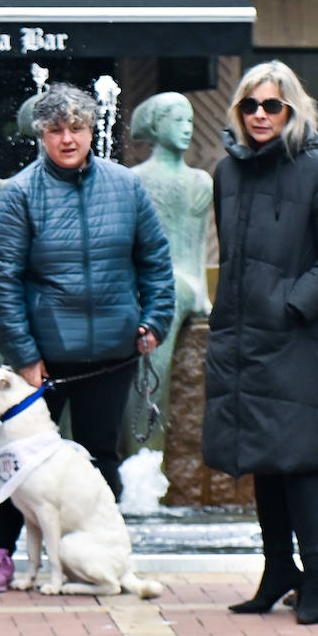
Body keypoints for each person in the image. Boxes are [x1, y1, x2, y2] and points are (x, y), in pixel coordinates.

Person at [0, 83, 174, 593]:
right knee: (17, 462)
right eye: (56, 129)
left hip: (112, 353)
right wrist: (23, 355)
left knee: (99, 456)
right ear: (41, 134)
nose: (68, 138)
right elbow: (0, 280)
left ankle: (102, 550)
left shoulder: (126, 187)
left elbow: (155, 261)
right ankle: (0, 554)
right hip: (40, 358)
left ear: (91, 130)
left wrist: (154, 321)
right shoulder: (21, 193)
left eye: (77, 127)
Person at [203, 60, 318, 625]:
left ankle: (317, 573)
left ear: (293, 110)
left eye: (272, 106)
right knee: (261, 459)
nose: (261, 115)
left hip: (297, 338)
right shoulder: (229, 171)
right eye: (250, 105)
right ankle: (277, 568)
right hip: (243, 337)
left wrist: (293, 304)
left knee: (300, 461)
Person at [128, 92, 215, 444]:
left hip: (184, 284)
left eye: (191, 121)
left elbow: (194, 246)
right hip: (150, 284)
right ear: (155, 125)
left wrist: (202, 296)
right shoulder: (135, 179)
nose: (187, 128)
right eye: (177, 120)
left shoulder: (201, 181)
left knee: (174, 293)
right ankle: (143, 442)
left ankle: (146, 446)